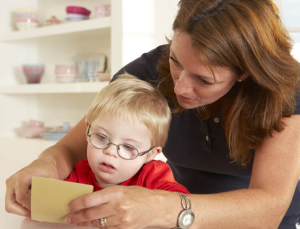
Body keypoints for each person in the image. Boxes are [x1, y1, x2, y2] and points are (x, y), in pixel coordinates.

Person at [5, 0, 300, 228]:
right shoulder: (146, 72)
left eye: (204, 80)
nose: (180, 86)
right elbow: (72, 146)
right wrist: (43, 165)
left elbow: (268, 210)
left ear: (244, 73)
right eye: (175, 60)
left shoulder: (286, 93)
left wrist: (165, 208)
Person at [63, 74, 189, 195]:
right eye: (101, 137)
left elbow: (181, 204)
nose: (110, 151)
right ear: (88, 130)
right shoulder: (80, 173)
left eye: (128, 147)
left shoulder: (153, 175)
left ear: (150, 154)